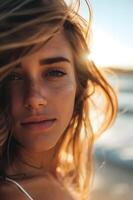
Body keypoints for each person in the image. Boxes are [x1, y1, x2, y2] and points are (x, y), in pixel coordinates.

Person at [0, 0, 118, 199]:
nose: (34, 99)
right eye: (14, 76)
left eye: (54, 72)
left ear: (80, 85)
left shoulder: (64, 173)